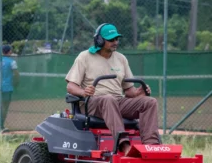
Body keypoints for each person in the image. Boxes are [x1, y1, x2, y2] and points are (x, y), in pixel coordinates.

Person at [65, 23, 161, 155]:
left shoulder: (121, 59)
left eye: (117, 39)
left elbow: (129, 91)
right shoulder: (84, 57)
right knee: (109, 99)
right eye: (111, 40)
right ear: (99, 40)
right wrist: (83, 92)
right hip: (92, 103)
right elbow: (70, 86)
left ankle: (152, 147)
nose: (115, 42)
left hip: (116, 101)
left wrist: (139, 93)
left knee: (150, 102)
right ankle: (124, 145)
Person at [0, 45, 19, 132]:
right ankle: (0, 125)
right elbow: (16, 74)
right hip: (7, 87)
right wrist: (16, 82)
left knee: (1, 105)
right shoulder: (12, 62)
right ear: (9, 51)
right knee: (5, 106)